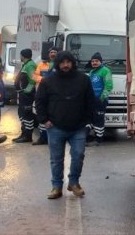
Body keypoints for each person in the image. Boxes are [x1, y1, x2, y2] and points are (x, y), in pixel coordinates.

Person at [34, 51, 94, 199]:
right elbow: (40, 101)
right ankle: (56, 187)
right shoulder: (47, 81)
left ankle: (74, 183)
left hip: (78, 127)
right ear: (57, 64)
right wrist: (44, 120)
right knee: (56, 159)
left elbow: (90, 101)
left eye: (68, 62)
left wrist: (87, 122)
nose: (65, 65)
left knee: (78, 155)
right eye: (62, 62)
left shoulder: (83, 80)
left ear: (73, 63)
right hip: (55, 127)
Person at [33, 47, 59, 145]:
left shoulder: (60, 65)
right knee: (42, 116)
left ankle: (53, 138)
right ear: (48, 54)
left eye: (55, 52)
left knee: (54, 116)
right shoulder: (41, 64)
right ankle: (42, 137)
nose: (53, 54)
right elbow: (34, 76)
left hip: (55, 95)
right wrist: (44, 79)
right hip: (42, 93)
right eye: (51, 52)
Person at [87, 52, 113, 146]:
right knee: (90, 119)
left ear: (100, 61)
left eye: (96, 61)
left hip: (100, 100)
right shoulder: (91, 72)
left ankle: (98, 140)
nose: (94, 63)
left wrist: (102, 98)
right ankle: (90, 137)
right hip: (92, 100)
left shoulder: (105, 71)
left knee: (99, 120)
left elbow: (109, 86)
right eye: (92, 61)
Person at [13, 48, 37, 143]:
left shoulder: (30, 65)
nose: (20, 57)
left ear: (23, 56)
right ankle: (23, 134)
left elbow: (32, 79)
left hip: (27, 95)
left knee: (27, 114)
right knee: (22, 114)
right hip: (23, 94)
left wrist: (26, 91)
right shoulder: (26, 64)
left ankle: (27, 136)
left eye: (20, 55)